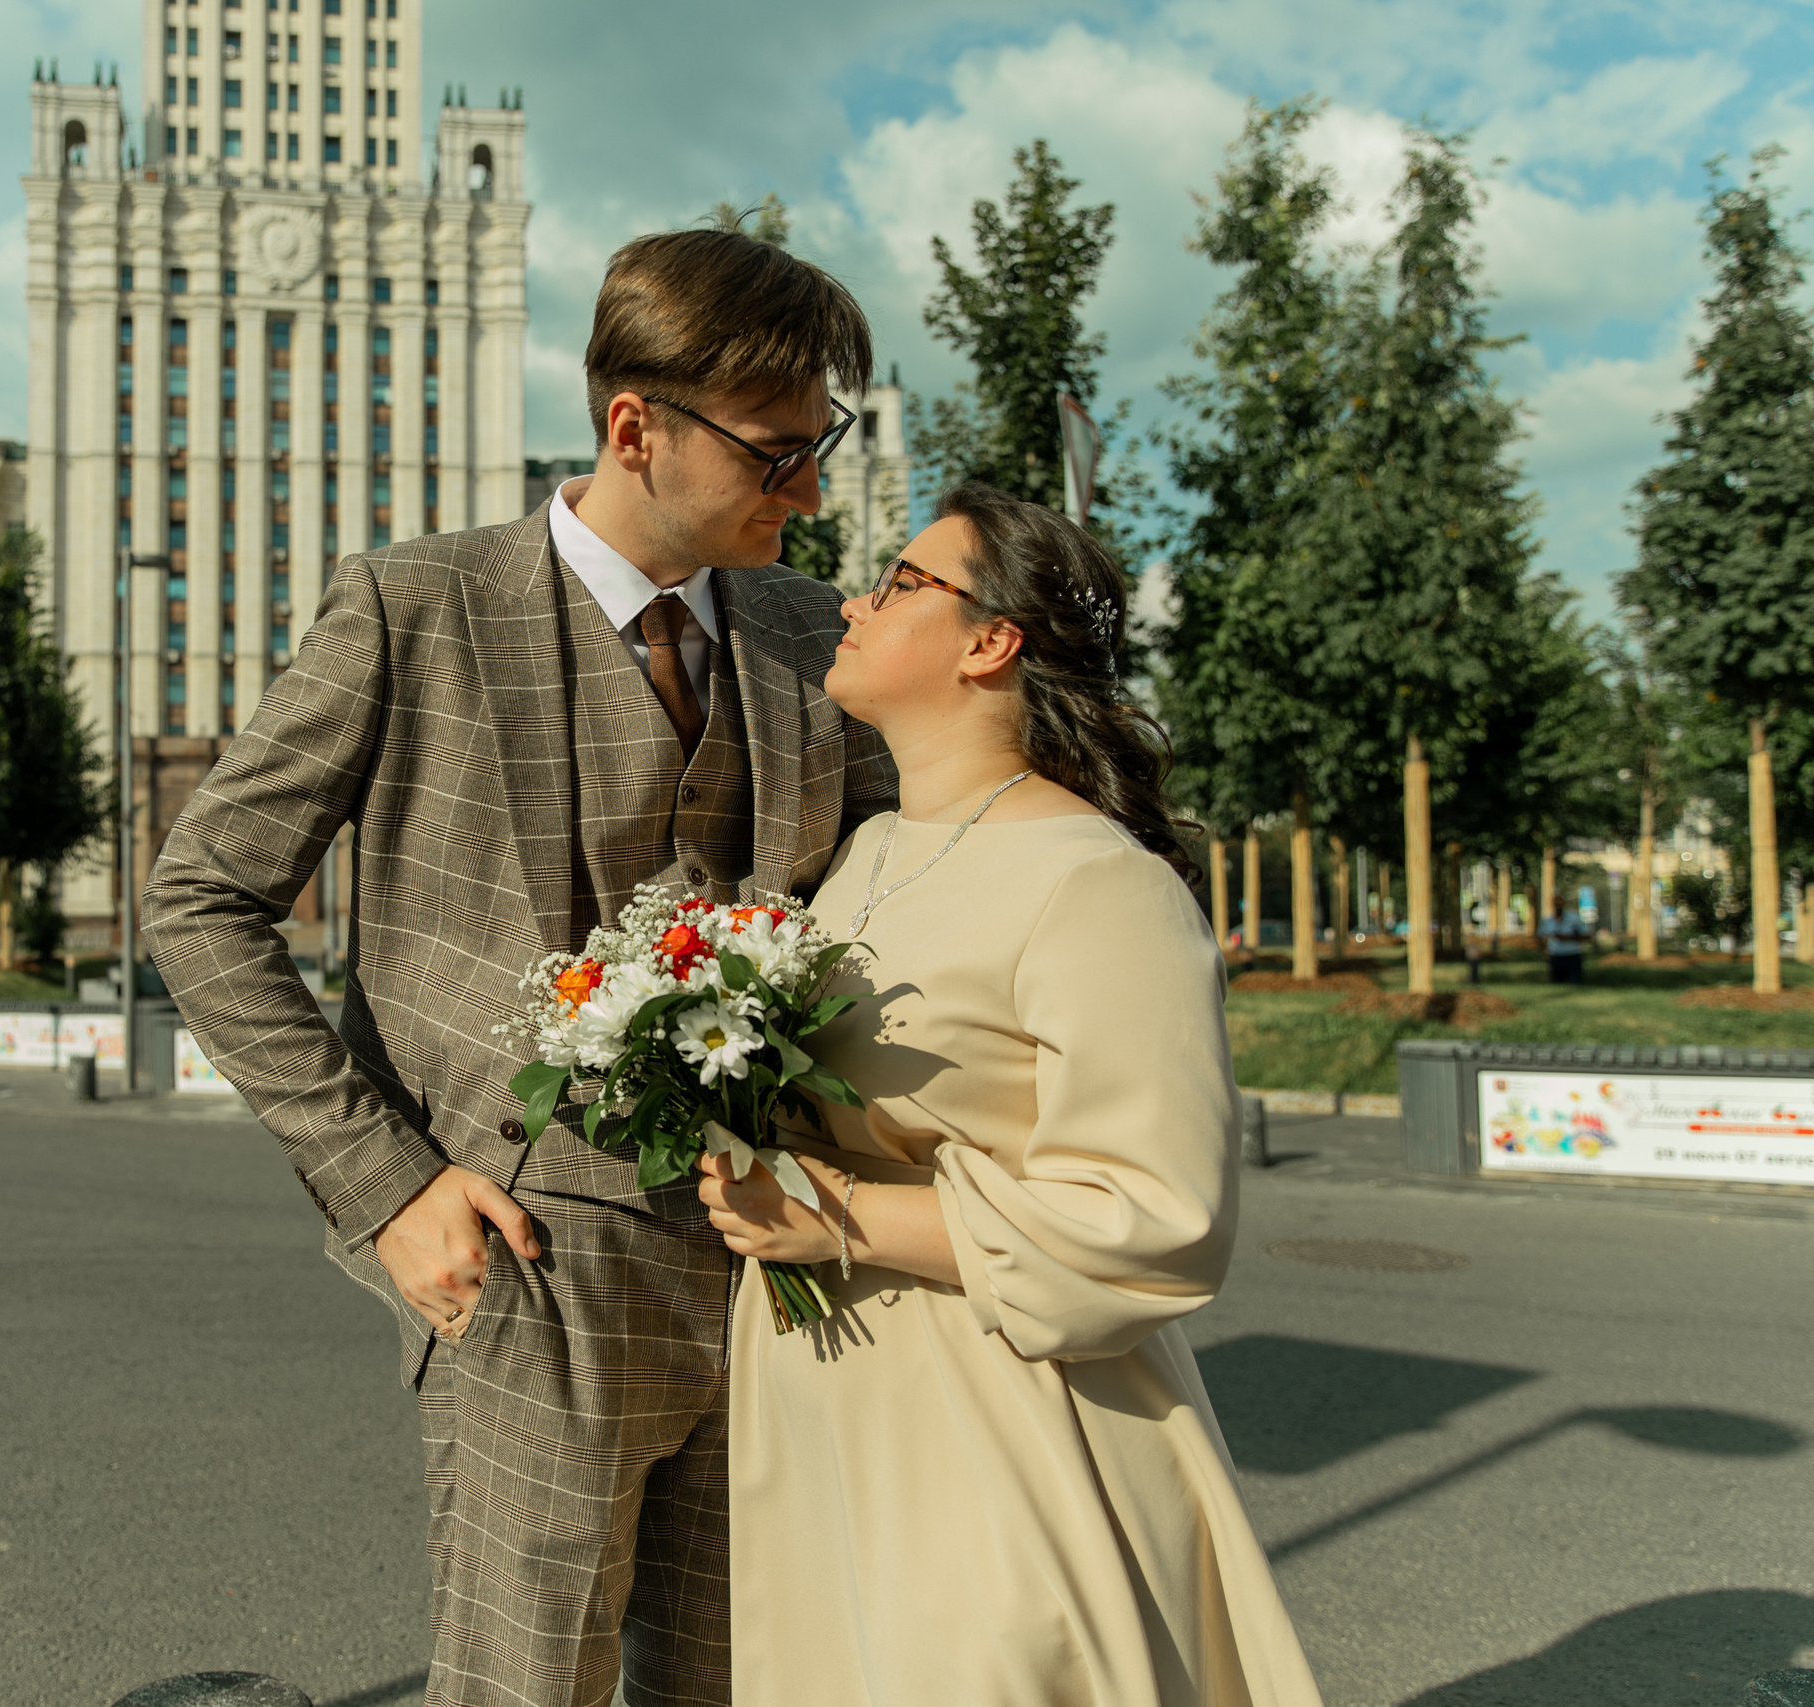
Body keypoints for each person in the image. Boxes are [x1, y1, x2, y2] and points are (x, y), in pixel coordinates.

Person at [143, 228, 897, 1707]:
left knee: (753, 1678)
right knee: (525, 1685)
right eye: (778, 451)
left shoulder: (821, 632)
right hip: (530, 1256)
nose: (812, 488)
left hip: (779, 1257)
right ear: (637, 427)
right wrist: (390, 1185)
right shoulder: (415, 606)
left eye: (826, 445)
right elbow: (203, 899)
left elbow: (928, 871)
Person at [696, 485, 1324, 1705]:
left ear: (992, 642)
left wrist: (842, 1220)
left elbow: (1157, 1214)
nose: (853, 600)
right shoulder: (867, 850)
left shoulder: (1096, 882)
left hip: (998, 1421)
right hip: (833, 1405)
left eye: (901, 583)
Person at [1542, 899, 1589, 982]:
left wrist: (1568, 938)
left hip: (1572, 953)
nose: (1558, 907)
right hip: (1555, 955)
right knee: (1557, 982)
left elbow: (1586, 936)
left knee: (1575, 980)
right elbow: (1542, 936)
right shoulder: (1548, 920)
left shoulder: (1574, 919)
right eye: (1556, 904)